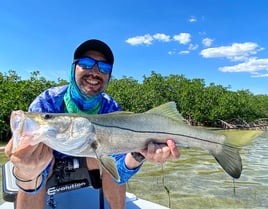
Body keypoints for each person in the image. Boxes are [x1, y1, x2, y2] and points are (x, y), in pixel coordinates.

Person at [5, 39, 180, 209]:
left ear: (109, 76)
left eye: (103, 67)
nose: (95, 72)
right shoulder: (47, 101)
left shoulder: (110, 107)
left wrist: (139, 155)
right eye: (87, 63)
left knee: (107, 162)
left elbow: (119, 171)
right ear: (74, 68)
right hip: (50, 161)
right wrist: (26, 173)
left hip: (91, 158)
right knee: (39, 164)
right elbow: (31, 168)